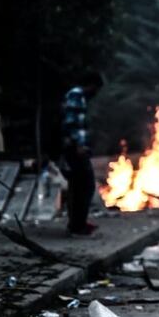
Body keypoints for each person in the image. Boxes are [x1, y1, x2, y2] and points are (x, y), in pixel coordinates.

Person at [61, 72, 103, 235]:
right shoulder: (76, 95)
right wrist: (78, 145)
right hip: (74, 149)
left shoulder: (79, 97)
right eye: (96, 89)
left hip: (75, 148)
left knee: (78, 186)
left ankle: (77, 224)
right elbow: (72, 122)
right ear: (91, 84)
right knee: (85, 185)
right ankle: (78, 225)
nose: (96, 93)